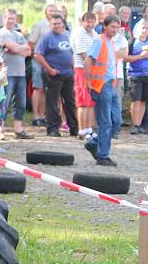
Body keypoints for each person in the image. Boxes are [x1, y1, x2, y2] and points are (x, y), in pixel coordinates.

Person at [84, 15, 123, 166]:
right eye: (112, 26)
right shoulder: (98, 40)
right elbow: (88, 61)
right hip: (100, 86)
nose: (115, 29)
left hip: (110, 86)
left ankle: (94, 143)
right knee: (106, 122)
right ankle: (103, 156)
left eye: (117, 27)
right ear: (105, 27)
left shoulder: (111, 42)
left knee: (117, 121)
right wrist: (88, 82)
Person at [35, 14, 78, 137]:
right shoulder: (46, 37)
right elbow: (38, 55)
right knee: (52, 102)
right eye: (54, 23)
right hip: (53, 75)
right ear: (50, 24)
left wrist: (72, 67)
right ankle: (53, 128)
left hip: (68, 74)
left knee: (70, 101)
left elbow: (71, 53)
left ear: (63, 24)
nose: (57, 26)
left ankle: (74, 128)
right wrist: (49, 69)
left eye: (59, 23)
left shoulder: (66, 36)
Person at [0, 9, 33, 139]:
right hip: (7, 73)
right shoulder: (2, 34)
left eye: (13, 18)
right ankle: (0, 129)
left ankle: (18, 129)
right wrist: (16, 48)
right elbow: (16, 48)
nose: (11, 21)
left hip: (21, 73)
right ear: (4, 19)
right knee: (4, 102)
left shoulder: (18, 34)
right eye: (9, 18)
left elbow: (28, 51)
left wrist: (15, 49)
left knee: (21, 103)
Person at [28, 3, 57, 127]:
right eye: (50, 10)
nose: (52, 12)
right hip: (39, 60)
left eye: (54, 10)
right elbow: (31, 42)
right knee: (38, 87)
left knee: (46, 89)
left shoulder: (56, 26)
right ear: (45, 12)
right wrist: (39, 53)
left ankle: (43, 115)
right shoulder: (39, 25)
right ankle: (36, 116)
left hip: (51, 62)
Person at [70, 11, 97, 139]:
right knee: (83, 100)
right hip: (81, 68)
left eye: (92, 22)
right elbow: (84, 54)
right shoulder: (79, 33)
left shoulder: (95, 34)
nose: (90, 24)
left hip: (93, 70)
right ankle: (82, 130)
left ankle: (89, 129)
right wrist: (97, 61)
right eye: (88, 21)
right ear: (83, 22)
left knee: (91, 101)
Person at [125, 22, 148, 134]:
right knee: (136, 100)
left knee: (143, 101)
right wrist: (140, 56)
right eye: (143, 28)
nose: (144, 30)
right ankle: (135, 124)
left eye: (147, 28)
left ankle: (140, 126)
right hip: (135, 75)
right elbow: (126, 58)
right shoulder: (133, 41)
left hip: (147, 75)